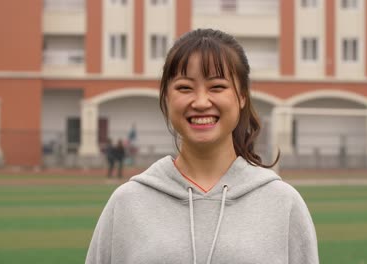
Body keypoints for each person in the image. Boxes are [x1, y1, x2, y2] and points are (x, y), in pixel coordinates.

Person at [86, 28, 318, 264]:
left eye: (217, 87)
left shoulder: (283, 202)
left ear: (242, 96)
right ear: (166, 97)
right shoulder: (127, 203)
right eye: (185, 88)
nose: (200, 102)